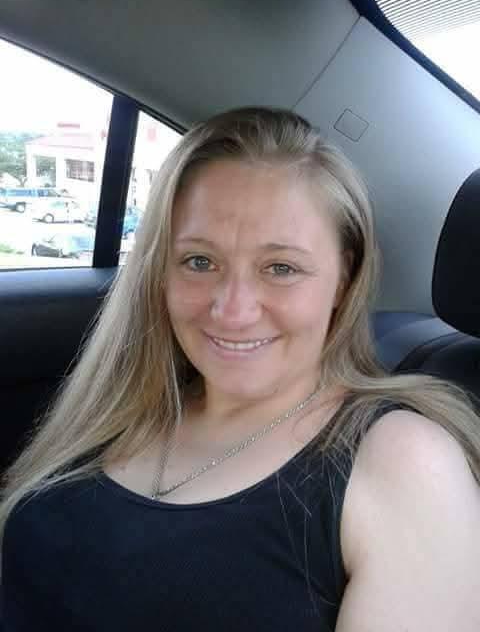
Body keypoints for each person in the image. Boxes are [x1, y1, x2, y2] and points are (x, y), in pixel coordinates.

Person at [1, 107, 480, 631]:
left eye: (281, 268)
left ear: (343, 278)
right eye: (199, 262)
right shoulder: (123, 407)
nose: (232, 311)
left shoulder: (405, 462)